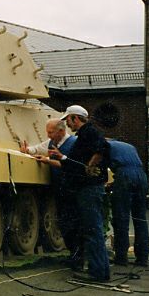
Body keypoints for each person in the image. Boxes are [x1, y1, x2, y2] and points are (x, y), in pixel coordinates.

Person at [36, 105, 110, 282]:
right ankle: (100, 270)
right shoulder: (85, 134)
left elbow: (103, 148)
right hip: (88, 187)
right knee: (91, 229)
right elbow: (77, 161)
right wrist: (62, 157)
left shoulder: (88, 132)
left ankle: (98, 272)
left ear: (75, 118)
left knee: (92, 230)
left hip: (88, 188)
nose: (68, 124)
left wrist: (91, 165)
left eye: (68, 120)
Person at [20, 119, 82, 268]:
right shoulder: (51, 143)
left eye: (51, 132)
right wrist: (27, 150)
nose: (48, 135)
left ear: (61, 131)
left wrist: (48, 161)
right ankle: (73, 254)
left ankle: (78, 258)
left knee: (75, 224)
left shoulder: (74, 143)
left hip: (73, 189)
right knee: (64, 222)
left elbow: (71, 165)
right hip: (60, 189)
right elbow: (37, 149)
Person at [107, 139, 149, 267]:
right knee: (140, 218)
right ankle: (142, 257)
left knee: (121, 218)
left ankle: (121, 257)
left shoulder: (104, 146)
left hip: (124, 175)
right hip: (141, 176)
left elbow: (103, 169)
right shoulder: (129, 146)